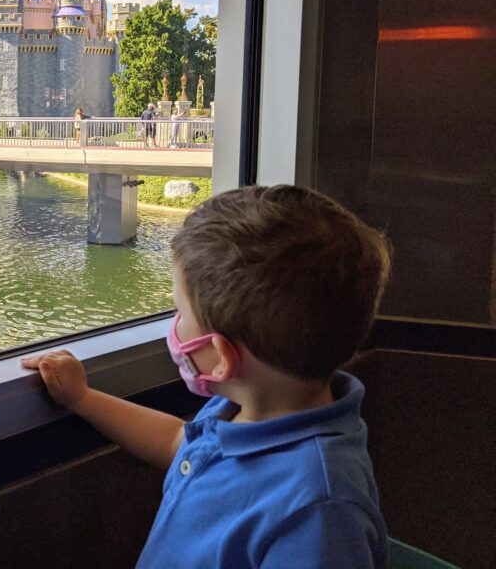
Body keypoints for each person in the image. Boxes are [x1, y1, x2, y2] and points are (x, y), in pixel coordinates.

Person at [22, 185, 392, 569]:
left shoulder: (318, 510)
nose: (175, 324)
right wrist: (83, 398)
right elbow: (174, 442)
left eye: (180, 312)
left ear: (220, 357)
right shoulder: (242, 412)